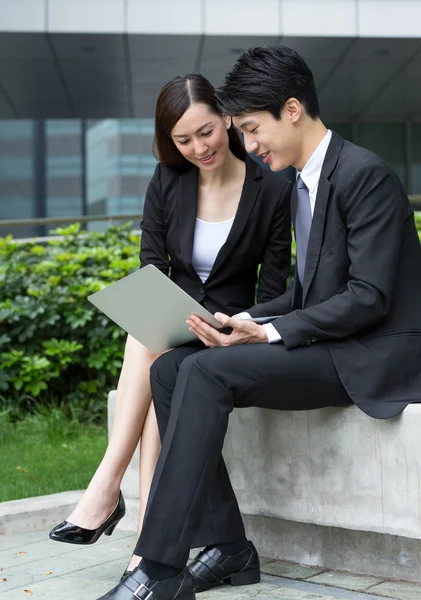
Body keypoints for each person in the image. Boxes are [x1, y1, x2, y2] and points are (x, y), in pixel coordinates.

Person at [95, 45, 421, 600]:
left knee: (202, 374)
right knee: (173, 369)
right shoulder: (302, 181)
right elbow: (307, 291)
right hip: (332, 342)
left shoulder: (365, 175)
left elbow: (367, 298)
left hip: (371, 353)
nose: (246, 145)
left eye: (250, 128)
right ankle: (227, 547)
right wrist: (243, 319)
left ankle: (158, 568)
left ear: (291, 109)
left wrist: (270, 332)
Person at [49, 73, 292, 564]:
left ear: (226, 118)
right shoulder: (168, 179)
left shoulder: (272, 189)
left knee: (152, 348)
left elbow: (275, 290)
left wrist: (235, 325)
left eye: (206, 132)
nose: (198, 147)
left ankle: (108, 490)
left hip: (229, 329)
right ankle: (143, 537)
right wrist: (166, 310)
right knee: (155, 345)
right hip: (173, 322)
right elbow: (151, 266)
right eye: (183, 140)